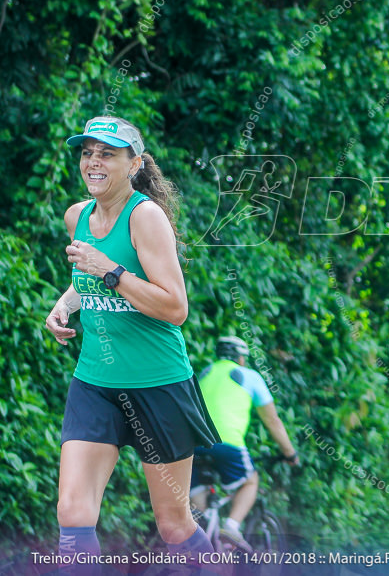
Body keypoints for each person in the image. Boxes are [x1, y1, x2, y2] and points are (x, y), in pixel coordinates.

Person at [44, 116, 220, 568]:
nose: (93, 162)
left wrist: (110, 270)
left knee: (175, 526)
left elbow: (175, 307)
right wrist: (65, 305)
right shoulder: (76, 216)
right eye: (87, 152)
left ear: (134, 164)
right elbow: (86, 281)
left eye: (107, 153)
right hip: (96, 383)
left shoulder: (145, 217)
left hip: (158, 384)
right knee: (72, 512)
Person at [190, 335, 299, 551]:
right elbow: (272, 420)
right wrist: (290, 454)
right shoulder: (251, 376)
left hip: (192, 445)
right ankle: (232, 526)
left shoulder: (205, 373)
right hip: (226, 442)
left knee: (200, 518)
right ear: (241, 358)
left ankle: (205, 551)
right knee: (250, 481)